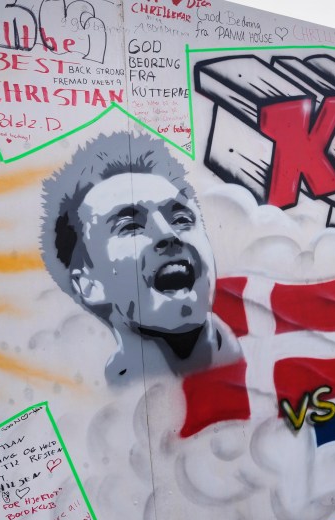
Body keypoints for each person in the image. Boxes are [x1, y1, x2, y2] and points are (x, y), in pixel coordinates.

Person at [41, 132, 242, 384]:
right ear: (89, 286)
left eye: (181, 219)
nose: (168, 234)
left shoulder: (270, 358)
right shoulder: (103, 401)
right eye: (131, 226)